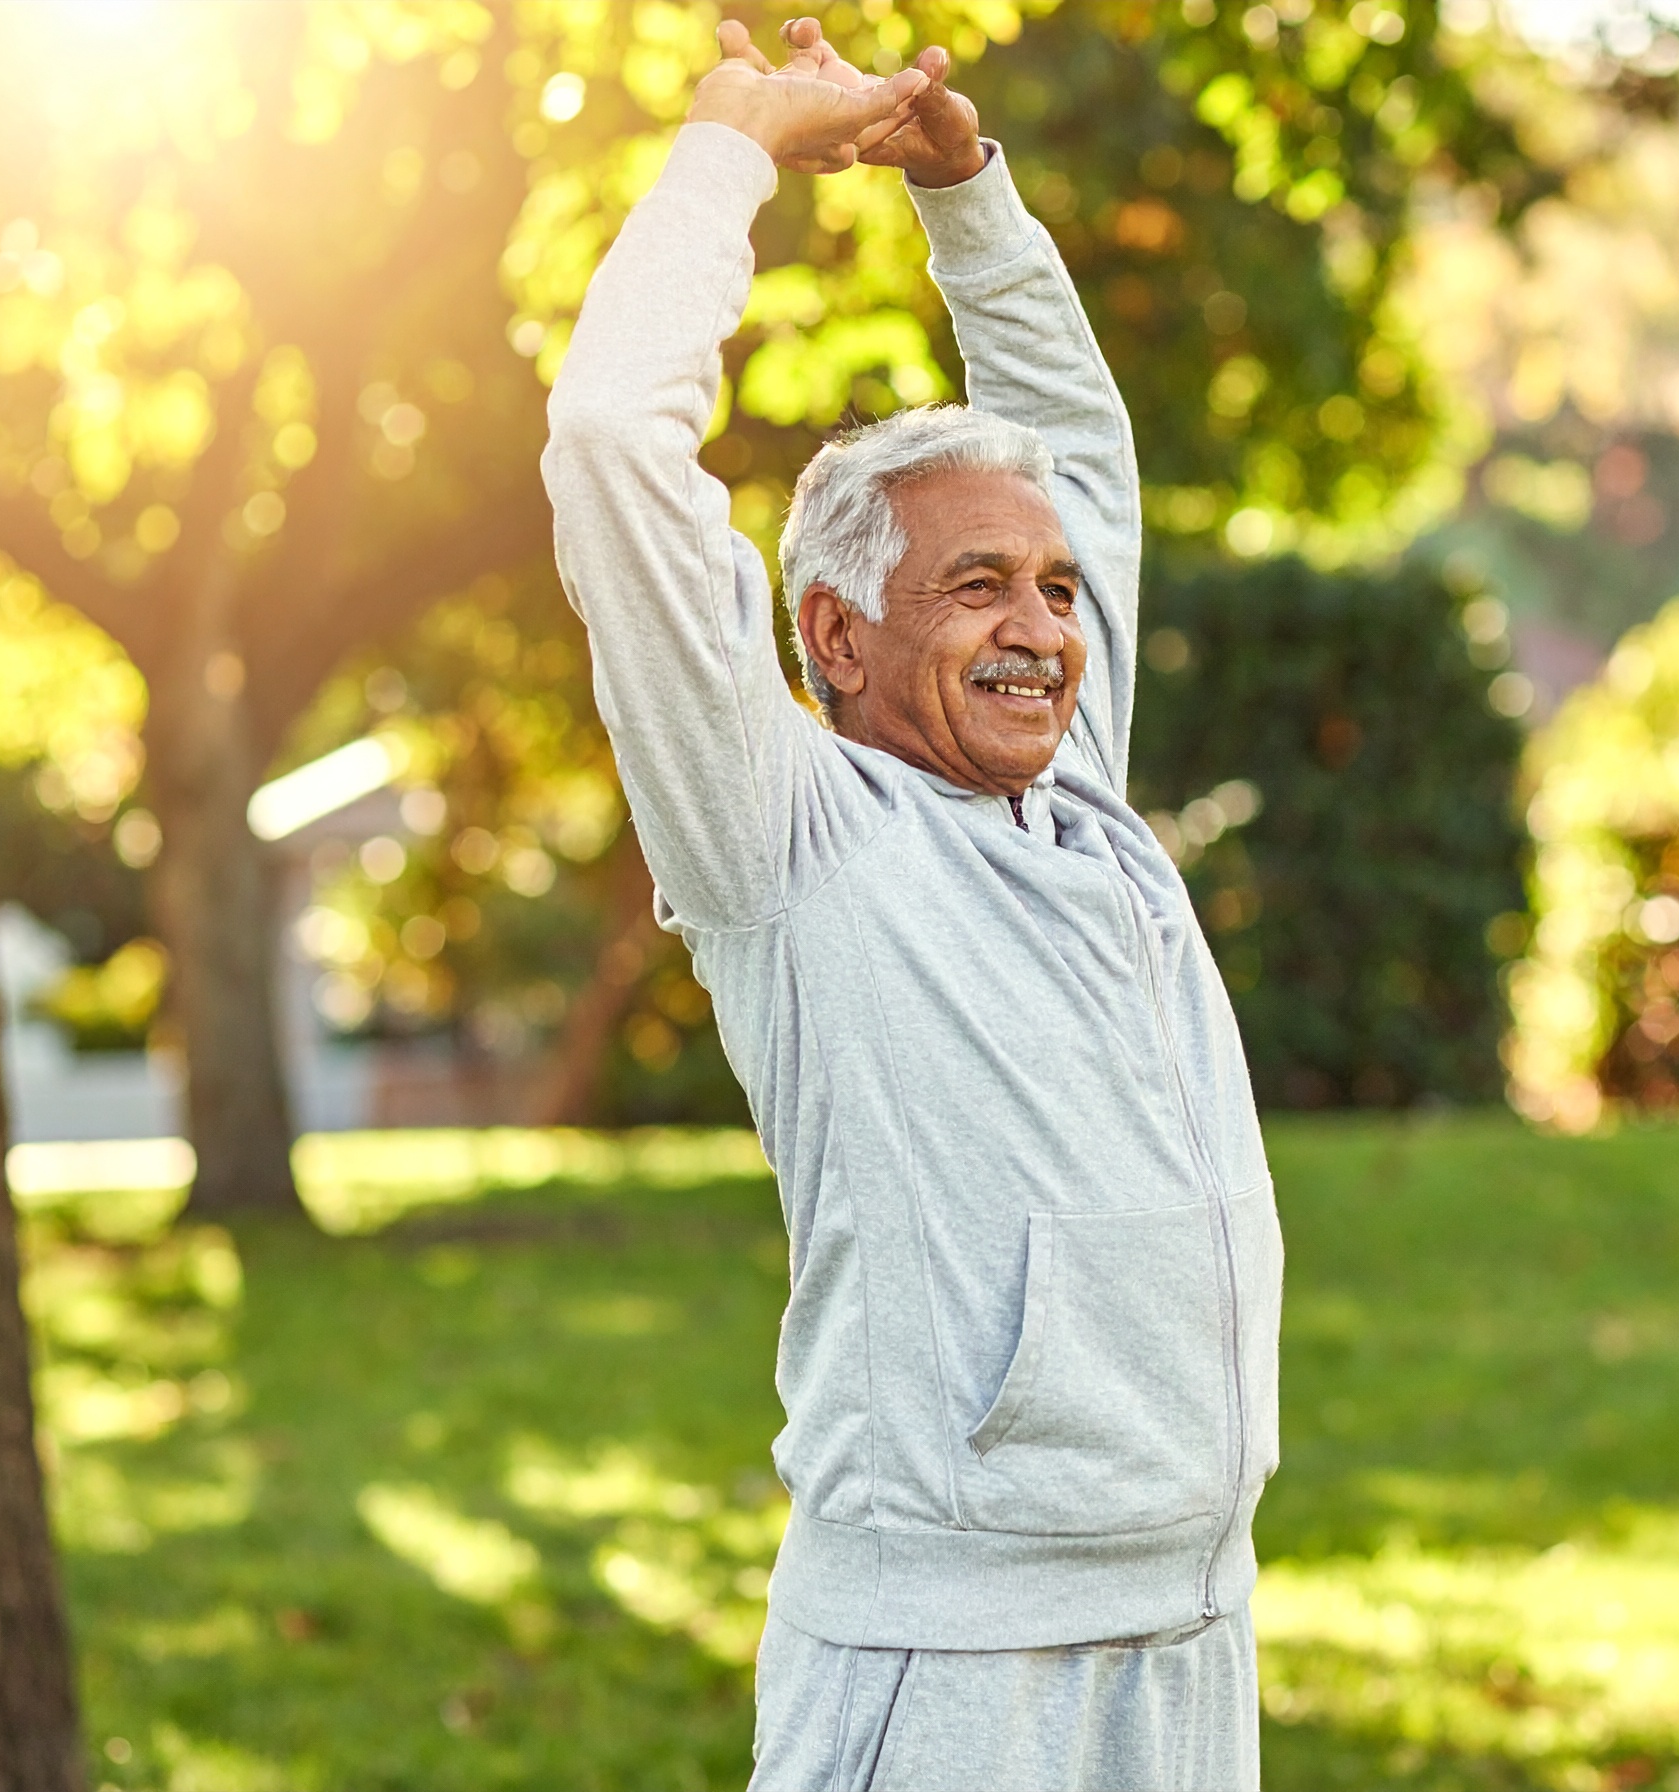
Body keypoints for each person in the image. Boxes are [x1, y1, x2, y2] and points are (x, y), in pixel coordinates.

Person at [542, 18, 1282, 1789]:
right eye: (977, 586)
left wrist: (966, 191)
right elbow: (605, 448)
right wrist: (731, 146)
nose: (1042, 625)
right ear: (838, 639)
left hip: (1189, 1631)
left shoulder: (1075, 799)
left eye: (1055, 592)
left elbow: (1082, 456)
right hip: (952, 1667)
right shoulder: (786, 836)